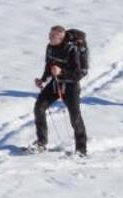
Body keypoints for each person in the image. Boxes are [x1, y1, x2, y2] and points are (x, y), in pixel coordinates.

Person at [32, 24, 89, 155]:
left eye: (53, 36)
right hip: (55, 83)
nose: (49, 38)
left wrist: (61, 71)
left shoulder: (72, 49)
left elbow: (79, 73)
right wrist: (43, 79)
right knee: (39, 107)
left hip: (71, 86)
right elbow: (49, 65)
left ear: (61, 38)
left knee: (75, 117)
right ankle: (41, 142)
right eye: (49, 35)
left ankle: (81, 149)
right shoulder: (50, 47)